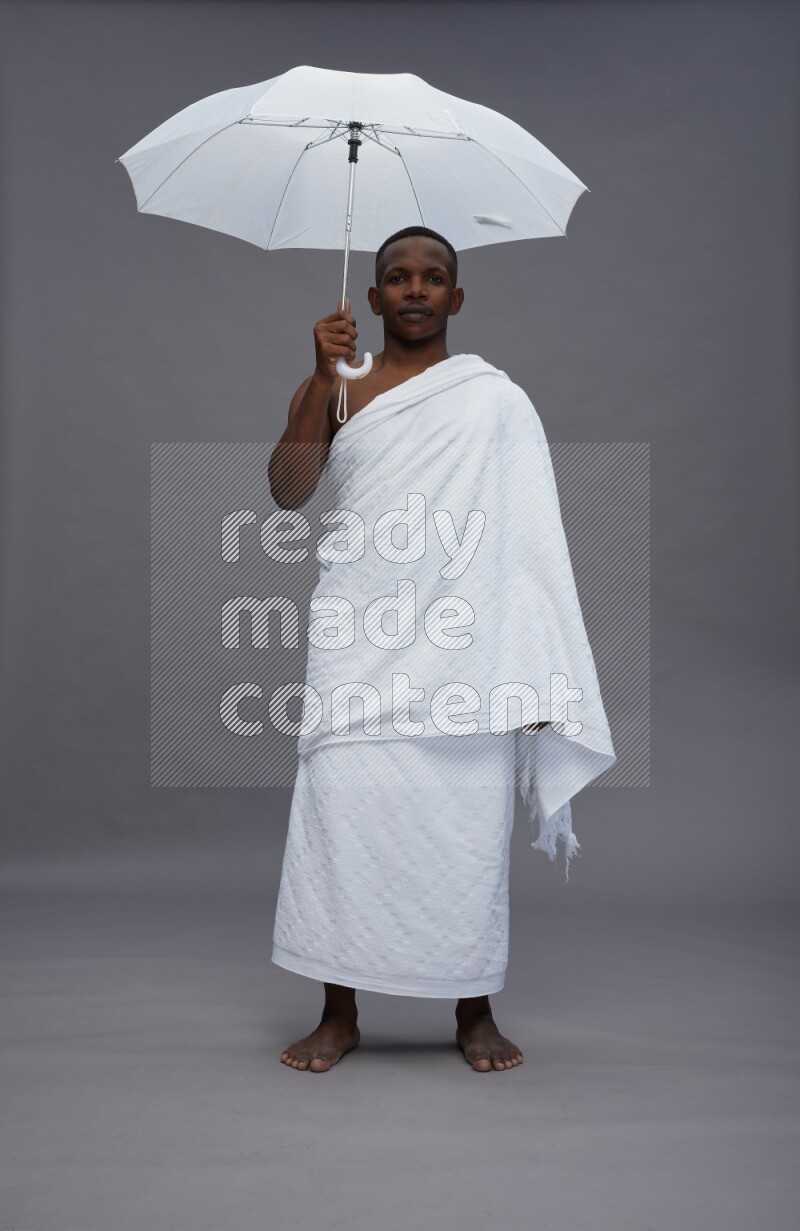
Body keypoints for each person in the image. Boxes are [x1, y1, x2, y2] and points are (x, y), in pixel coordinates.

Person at [268, 227, 554, 1074]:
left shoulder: (495, 400)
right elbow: (287, 491)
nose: (416, 289)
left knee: (463, 823)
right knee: (344, 818)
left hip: (462, 644)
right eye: (398, 277)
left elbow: (531, 540)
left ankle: (473, 1008)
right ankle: (338, 1012)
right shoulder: (341, 387)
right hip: (359, 636)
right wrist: (322, 380)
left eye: (433, 278)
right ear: (374, 297)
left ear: (456, 298)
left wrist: (534, 665)